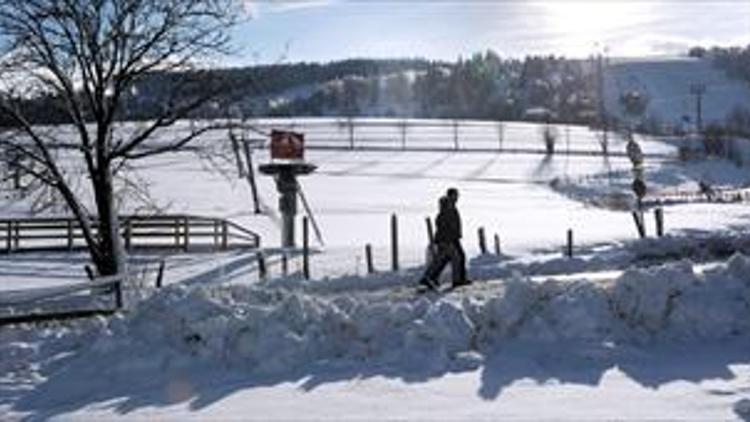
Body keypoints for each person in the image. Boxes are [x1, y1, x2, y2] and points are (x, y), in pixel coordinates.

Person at [418, 188, 471, 290]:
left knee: (446, 259)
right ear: (451, 195)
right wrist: (448, 238)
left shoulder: (451, 207)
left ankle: (430, 278)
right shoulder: (447, 208)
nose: (457, 198)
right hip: (447, 239)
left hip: (452, 238)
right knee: (454, 258)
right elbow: (444, 225)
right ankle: (456, 280)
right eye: (455, 195)